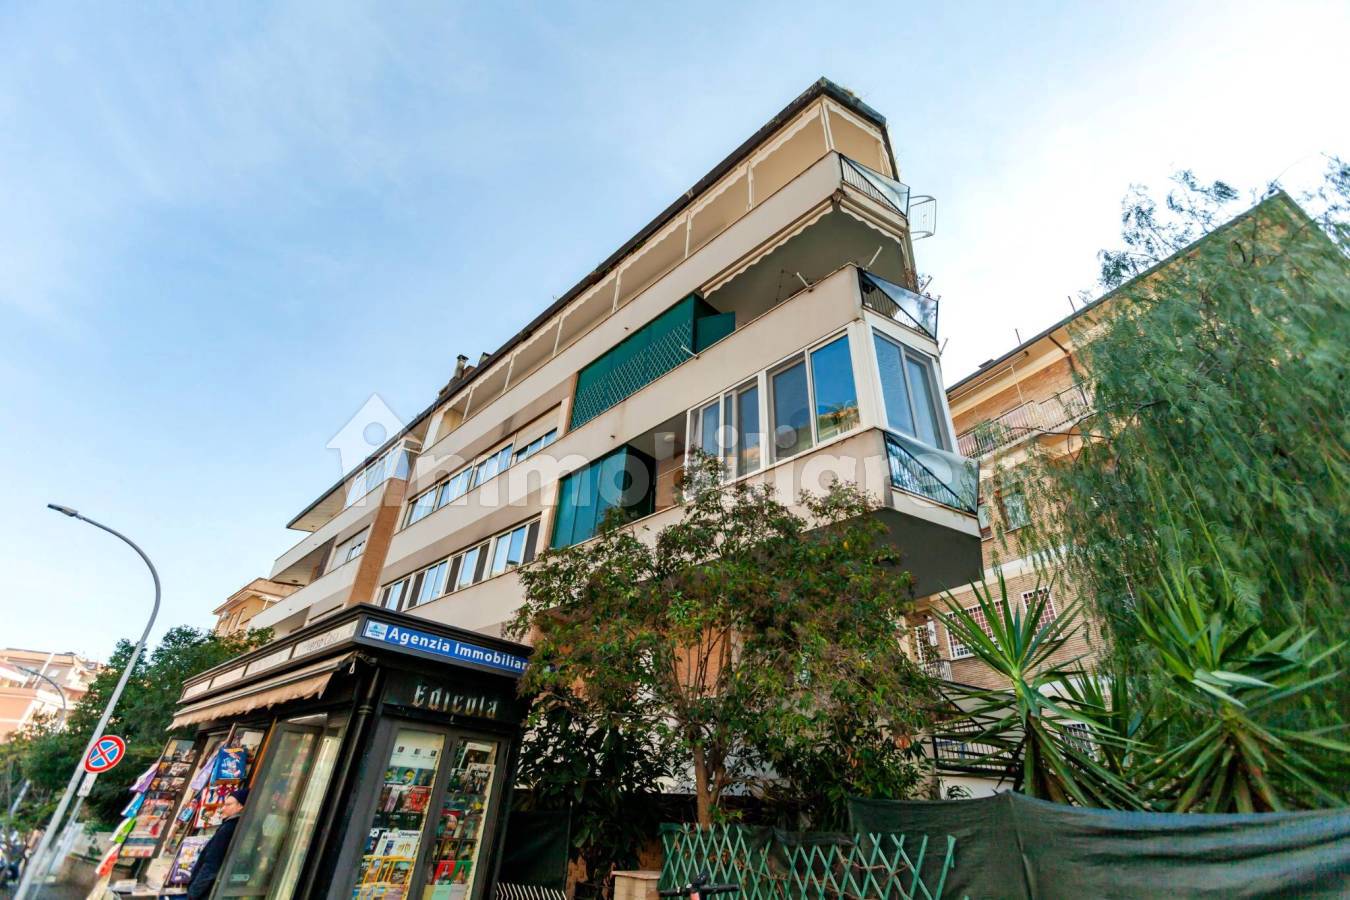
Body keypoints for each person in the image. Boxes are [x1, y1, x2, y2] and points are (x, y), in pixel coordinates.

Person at [187, 787, 247, 899]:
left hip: (211, 891)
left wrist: (193, 893)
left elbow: (212, 863)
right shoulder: (243, 826)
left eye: (228, 805)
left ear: (240, 806)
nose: (223, 808)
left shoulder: (229, 828)